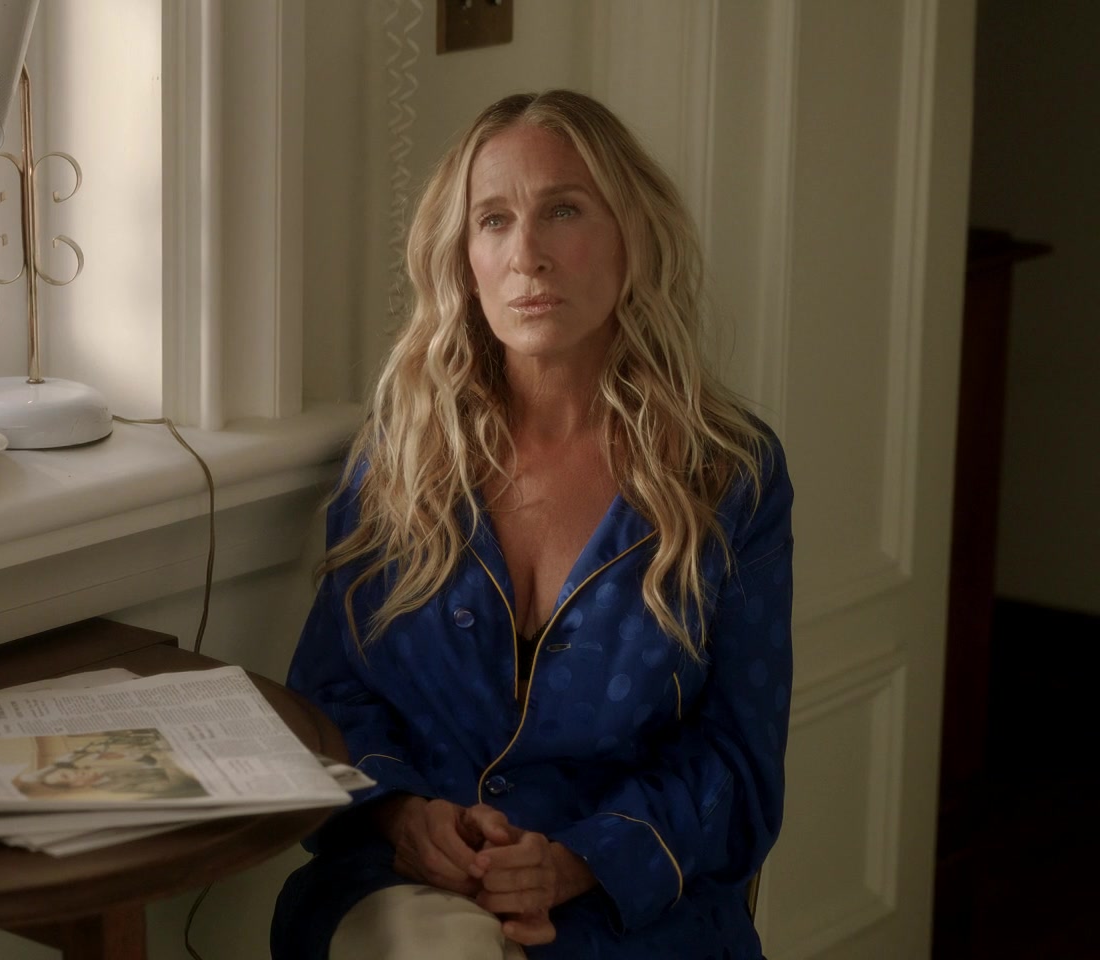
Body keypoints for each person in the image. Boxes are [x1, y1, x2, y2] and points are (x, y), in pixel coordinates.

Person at [271, 90, 793, 960]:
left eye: (563, 210)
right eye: (494, 221)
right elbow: (327, 699)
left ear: (633, 233)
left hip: (629, 913)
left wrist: (577, 862)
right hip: (404, 885)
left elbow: (738, 763)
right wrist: (402, 815)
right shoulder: (404, 449)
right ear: (464, 259)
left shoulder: (727, 473)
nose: (527, 256)